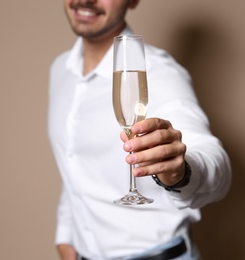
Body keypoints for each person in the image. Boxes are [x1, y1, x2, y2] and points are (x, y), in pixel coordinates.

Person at [47, 0, 232, 259]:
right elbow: (74, 165)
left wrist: (180, 171)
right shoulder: (60, 70)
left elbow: (216, 163)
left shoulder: (158, 72)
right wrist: (66, 237)